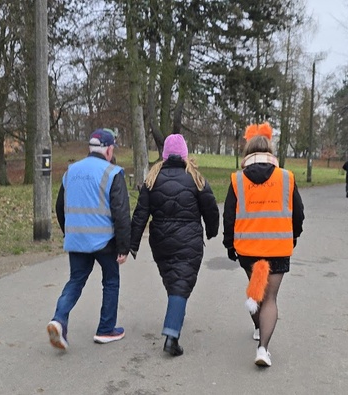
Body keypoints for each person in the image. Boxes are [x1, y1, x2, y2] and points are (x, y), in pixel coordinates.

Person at [129, 133, 219, 357]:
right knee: (180, 283)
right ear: (185, 154)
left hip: (160, 241)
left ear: (165, 155)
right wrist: (212, 231)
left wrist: (133, 243)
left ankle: (175, 314)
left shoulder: (152, 179)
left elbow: (140, 214)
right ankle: (171, 335)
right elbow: (211, 208)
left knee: (174, 279)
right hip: (189, 240)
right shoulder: (196, 179)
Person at [222, 123, 305, 367]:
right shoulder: (286, 178)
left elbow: (229, 216)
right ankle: (263, 348)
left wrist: (229, 245)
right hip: (278, 246)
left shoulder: (237, 180)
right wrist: (294, 235)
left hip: (248, 249)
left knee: (256, 291)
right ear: (270, 149)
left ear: (248, 151)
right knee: (270, 298)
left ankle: (259, 327)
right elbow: (298, 213)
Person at [48, 128, 131, 351]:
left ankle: (59, 319)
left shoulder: (71, 171)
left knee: (75, 281)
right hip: (105, 241)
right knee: (111, 281)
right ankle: (106, 329)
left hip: (78, 240)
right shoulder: (112, 172)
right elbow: (121, 212)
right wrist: (124, 246)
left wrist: (70, 232)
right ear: (109, 149)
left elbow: (59, 207)